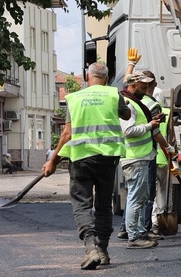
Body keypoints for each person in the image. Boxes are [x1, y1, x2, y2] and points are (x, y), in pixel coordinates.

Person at [41, 62, 128, 270]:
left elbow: (67, 134)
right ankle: (104, 250)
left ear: (87, 77)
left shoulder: (74, 98)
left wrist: (53, 161)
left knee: (82, 204)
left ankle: (91, 248)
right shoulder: (113, 95)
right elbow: (126, 115)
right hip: (107, 159)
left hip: (81, 160)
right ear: (106, 79)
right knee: (104, 205)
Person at [120, 71, 175, 250]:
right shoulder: (129, 104)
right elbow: (128, 131)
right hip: (135, 158)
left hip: (141, 157)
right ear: (133, 86)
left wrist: (152, 124)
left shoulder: (135, 102)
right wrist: (150, 125)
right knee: (136, 199)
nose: (145, 91)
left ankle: (139, 233)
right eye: (142, 88)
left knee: (140, 198)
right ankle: (134, 236)